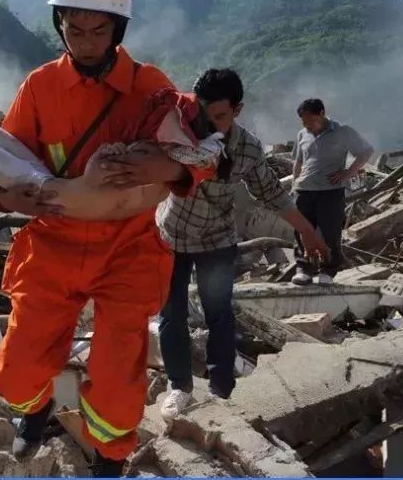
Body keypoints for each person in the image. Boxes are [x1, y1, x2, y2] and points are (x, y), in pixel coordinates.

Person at [0, 0, 213, 476]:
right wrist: (8, 199)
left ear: (118, 28)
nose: (84, 41)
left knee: (117, 375)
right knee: (17, 372)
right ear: (58, 22)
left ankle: (109, 458)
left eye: (97, 30)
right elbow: (5, 165)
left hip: (127, 247)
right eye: (73, 27)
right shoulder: (41, 87)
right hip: (55, 240)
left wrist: (168, 171)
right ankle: (34, 410)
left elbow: (198, 161)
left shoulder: (151, 87)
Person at [99, 68, 331, 420]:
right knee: (171, 314)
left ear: (238, 110)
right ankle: (180, 387)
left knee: (219, 313)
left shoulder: (247, 149)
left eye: (220, 116)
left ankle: (222, 389)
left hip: (216, 241)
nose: (208, 124)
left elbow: (271, 192)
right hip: (171, 236)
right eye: (202, 114)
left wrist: (308, 232)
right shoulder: (175, 132)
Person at [0, 95, 225, 259]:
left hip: (53, 193)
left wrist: (110, 157)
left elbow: (101, 176)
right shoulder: (156, 162)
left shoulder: (148, 162)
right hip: (53, 185)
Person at [291, 98, 374, 285]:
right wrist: (294, 184)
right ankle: (303, 268)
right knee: (302, 231)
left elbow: (366, 151)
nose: (308, 127)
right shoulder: (302, 134)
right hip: (304, 191)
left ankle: (327, 270)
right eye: (304, 123)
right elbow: (297, 162)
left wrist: (347, 173)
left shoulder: (343, 132)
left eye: (310, 121)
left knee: (331, 232)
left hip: (330, 191)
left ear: (321, 113)